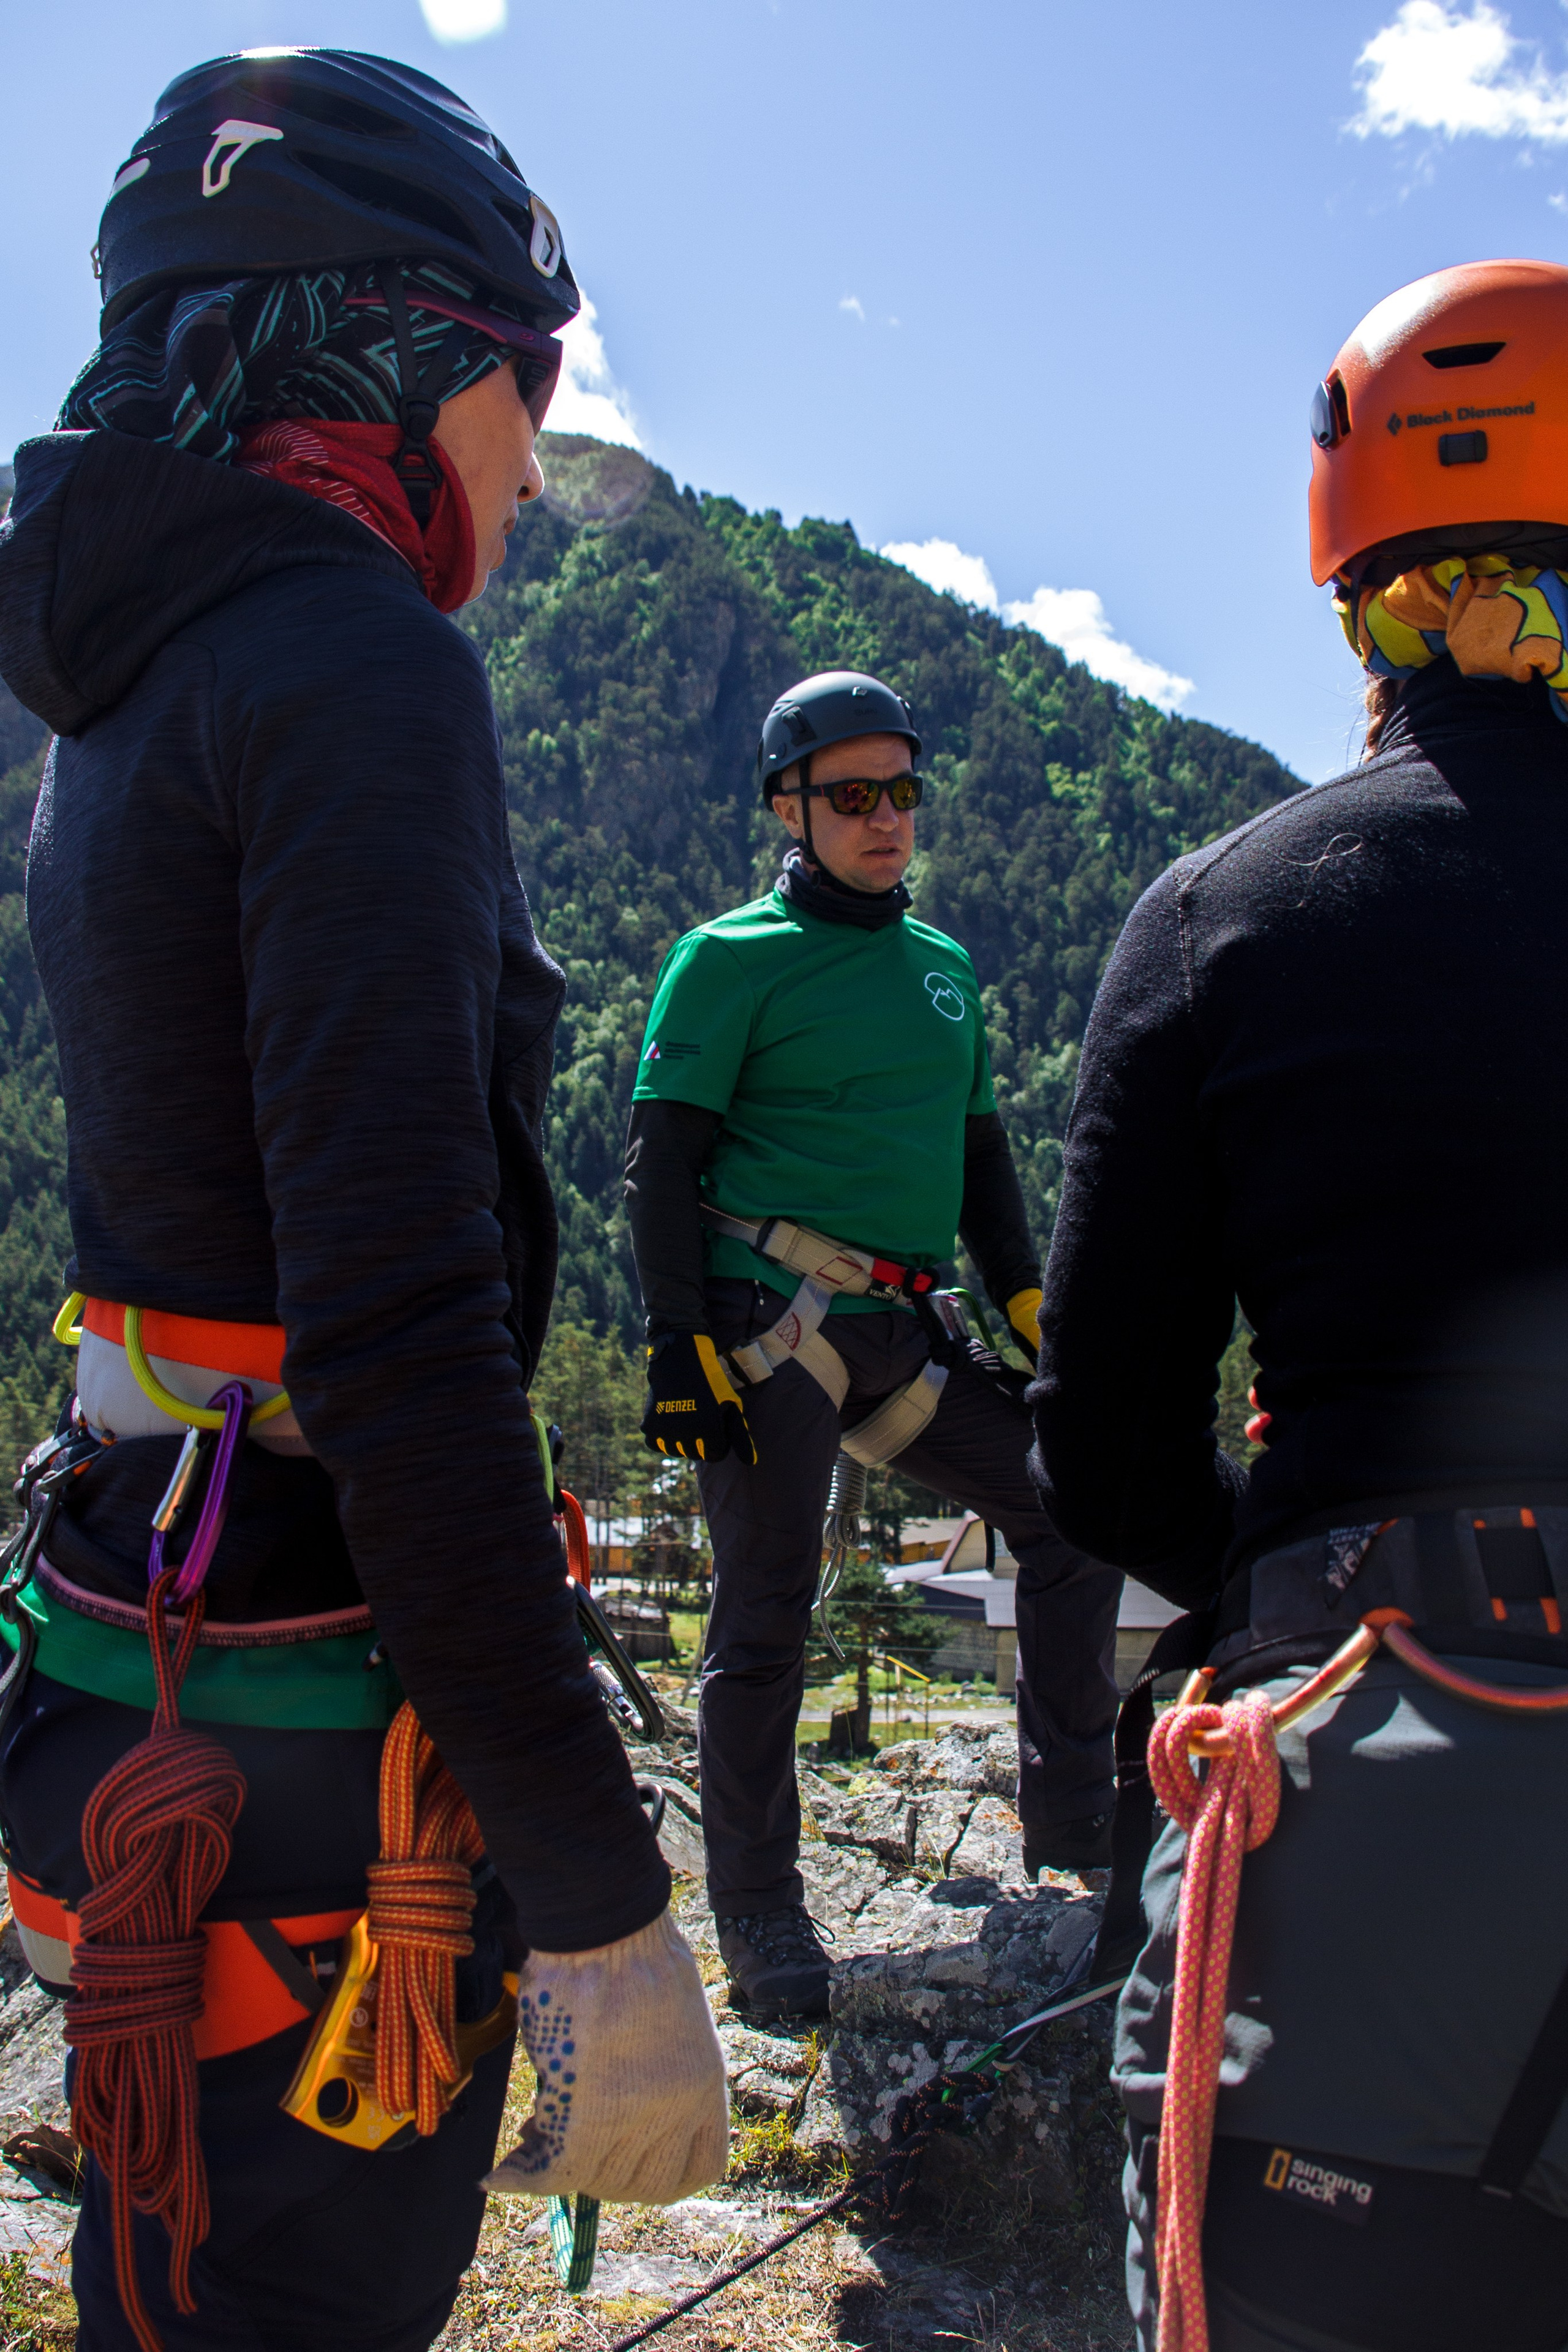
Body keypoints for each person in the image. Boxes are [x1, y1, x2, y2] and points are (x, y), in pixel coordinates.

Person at [0, 48, 725, 2352]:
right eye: (524, 390)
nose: (532, 458)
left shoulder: (123, 700)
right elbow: (397, 1330)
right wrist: (604, 1902)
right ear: (398, 352)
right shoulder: (352, 663)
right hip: (317, 1762)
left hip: (138, 1675)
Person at [1031, 259, 1568, 2352]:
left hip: (1362, 1794)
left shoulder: (1224, 914)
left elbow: (1104, 1436)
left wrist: (1279, 1589)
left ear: (1363, 581)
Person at [624, 668, 1125, 2019]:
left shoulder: (943, 969)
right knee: (767, 1602)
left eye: (900, 790)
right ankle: (761, 1914)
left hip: (901, 1330)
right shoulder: (726, 959)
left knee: (1065, 1515)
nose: (883, 816)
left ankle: (1078, 1834)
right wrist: (678, 1346)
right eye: (850, 794)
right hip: (764, 1326)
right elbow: (660, 1162)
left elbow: (981, 1169)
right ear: (787, 806)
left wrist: (1028, 1312)